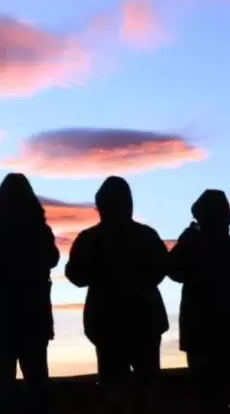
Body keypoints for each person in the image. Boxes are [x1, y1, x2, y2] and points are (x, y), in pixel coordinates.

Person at [65, 176, 169, 413]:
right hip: (144, 320)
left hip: (107, 322)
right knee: (148, 383)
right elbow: (163, 268)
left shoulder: (89, 238)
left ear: (100, 206)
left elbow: (75, 276)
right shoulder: (146, 235)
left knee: (116, 386)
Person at [0, 172, 60, 412]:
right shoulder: (37, 226)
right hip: (32, 311)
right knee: (37, 381)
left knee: (3, 382)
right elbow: (53, 258)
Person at [168, 189, 230, 413]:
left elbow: (171, 270)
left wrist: (184, 241)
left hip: (201, 333)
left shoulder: (193, 248)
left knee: (208, 398)